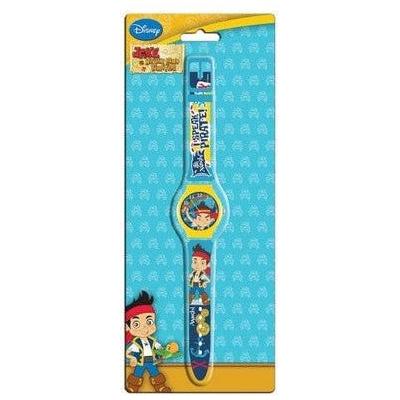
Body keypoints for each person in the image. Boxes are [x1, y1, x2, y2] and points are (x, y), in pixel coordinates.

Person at [125, 291, 171, 392]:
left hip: (151, 361)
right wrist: (132, 358)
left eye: (149, 322)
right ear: (128, 327)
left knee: (156, 374)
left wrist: (166, 351)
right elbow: (128, 353)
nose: (145, 328)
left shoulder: (153, 341)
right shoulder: (135, 343)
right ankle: (133, 387)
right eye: (136, 324)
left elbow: (160, 349)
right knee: (137, 375)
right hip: (140, 362)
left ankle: (161, 387)